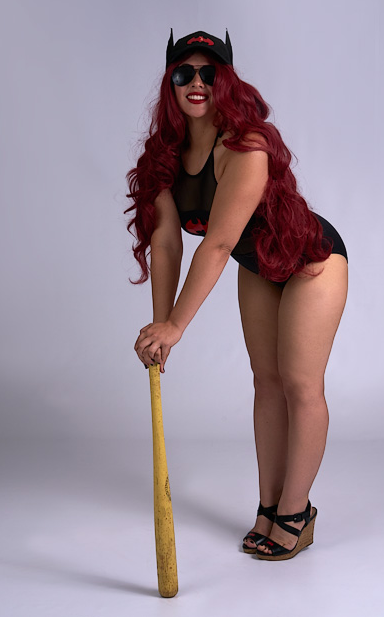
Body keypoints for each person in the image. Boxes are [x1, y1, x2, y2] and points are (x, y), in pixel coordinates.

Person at [126, 29, 348, 561]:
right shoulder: (166, 155)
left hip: (311, 260)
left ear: (225, 80)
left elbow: (219, 243)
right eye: (185, 73)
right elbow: (167, 243)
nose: (197, 82)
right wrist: (161, 329)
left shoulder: (244, 146)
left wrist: (178, 326)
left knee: (300, 384)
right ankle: (269, 507)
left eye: (209, 72)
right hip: (261, 264)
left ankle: (296, 512)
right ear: (170, 83)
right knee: (266, 382)